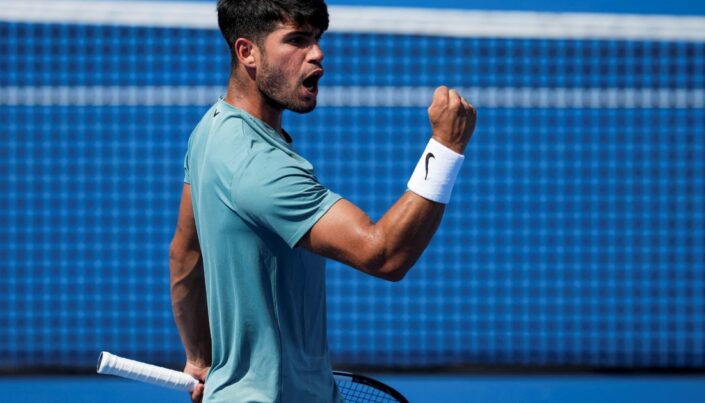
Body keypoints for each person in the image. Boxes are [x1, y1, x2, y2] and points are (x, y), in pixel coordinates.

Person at [169, 0, 477, 401]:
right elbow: (383, 253)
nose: (317, 53)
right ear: (247, 52)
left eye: (316, 38)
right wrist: (447, 147)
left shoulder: (209, 131)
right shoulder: (259, 165)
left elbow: (185, 256)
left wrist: (199, 358)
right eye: (296, 40)